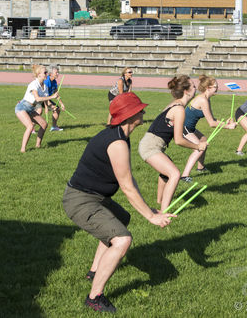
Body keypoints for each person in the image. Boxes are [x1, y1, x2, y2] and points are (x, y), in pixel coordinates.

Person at [63, 92, 174, 313]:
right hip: (81, 200)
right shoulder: (116, 142)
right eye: (140, 109)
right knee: (122, 239)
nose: (144, 112)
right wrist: (151, 217)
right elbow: (126, 187)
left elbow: (128, 178)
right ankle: (95, 297)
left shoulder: (120, 135)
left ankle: (94, 270)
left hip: (94, 197)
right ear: (130, 115)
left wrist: (147, 207)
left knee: (122, 218)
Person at [138, 75, 208, 212]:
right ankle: (165, 213)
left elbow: (181, 130)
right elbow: (179, 140)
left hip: (151, 143)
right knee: (175, 174)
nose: (196, 88)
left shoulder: (175, 104)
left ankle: (160, 202)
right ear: (187, 91)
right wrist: (198, 146)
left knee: (166, 171)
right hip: (150, 146)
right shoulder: (179, 109)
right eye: (193, 86)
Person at [181, 75, 236, 179]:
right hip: (183, 127)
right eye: (215, 86)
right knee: (200, 147)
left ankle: (200, 168)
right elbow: (211, 123)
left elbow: (213, 119)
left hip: (189, 127)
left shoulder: (207, 99)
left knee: (204, 140)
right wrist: (228, 127)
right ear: (208, 88)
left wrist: (227, 124)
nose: (217, 88)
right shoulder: (203, 100)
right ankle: (185, 175)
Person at [14, 64, 60, 153]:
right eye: (45, 72)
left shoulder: (45, 86)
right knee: (30, 126)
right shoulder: (34, 84)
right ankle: (23, 149)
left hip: (31, 109)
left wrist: (52, 107)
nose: (47, 74)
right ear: (39, 74)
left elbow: (46, 102)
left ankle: (38, 146)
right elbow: (38, 98)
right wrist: (52, 96)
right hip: (22, 107)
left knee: (44, 124)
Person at [43, 65, 65, 132]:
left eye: (58, 72)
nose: (58, 74)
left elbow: (56, 94)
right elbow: (44, 95)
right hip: (40, 98)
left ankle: (54, 126)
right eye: (56, 72)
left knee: (57, 109)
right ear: (50, 74)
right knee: (38, 112)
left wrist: (61, 104)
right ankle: (31, 128)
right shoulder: (46, 81)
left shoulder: (54, 81)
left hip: (47, 98)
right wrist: (48, 106)